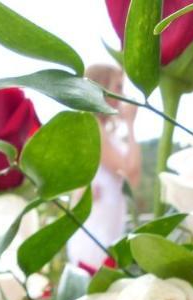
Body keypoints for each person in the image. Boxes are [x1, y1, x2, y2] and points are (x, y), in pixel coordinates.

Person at [66, 63, 141, 273]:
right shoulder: (94, 128)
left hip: (108, 226)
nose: (123, 94)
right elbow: (128, 169)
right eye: (118, 87)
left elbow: (133, 178)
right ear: (102, 88)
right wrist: (131, 124)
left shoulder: (105, 132)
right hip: (96, 234)